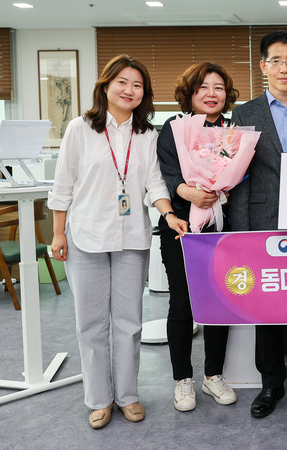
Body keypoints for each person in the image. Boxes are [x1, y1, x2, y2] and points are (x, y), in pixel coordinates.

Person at [48, 54, 188, 429]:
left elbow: (155, 183)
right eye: (122, 82)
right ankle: (98, 399)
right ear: (106, 86)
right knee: (91, 324)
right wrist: (58, 233)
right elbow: (62, 186)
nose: (129, 90)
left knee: (129, 322)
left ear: (145, 94)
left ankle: (127, 395)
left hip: (132, 236)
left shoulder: (147, 135)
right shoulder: (80, 129)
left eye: (137, 85)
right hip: (85, 235)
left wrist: (168, 214)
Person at [229, 31, 287, 418]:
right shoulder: (244, 114)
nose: (284, 68)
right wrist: (241, 232)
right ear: (263, 66)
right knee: (265, 303)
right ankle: (270, 382)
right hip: (261, 219)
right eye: (276, 61)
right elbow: (238, 176)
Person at [157, 62, 239, 412]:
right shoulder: (174, 127)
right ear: (189, 93)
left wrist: (224, 189)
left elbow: (241, 173)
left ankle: (213, 375)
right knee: (182, 303)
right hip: (180, 226)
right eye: (202, 87)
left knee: (220, 300)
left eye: (218, 87)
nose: (211, 93)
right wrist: (187, 192)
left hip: (222, 227)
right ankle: (183, 379)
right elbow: (165, 172)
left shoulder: (234, 131)